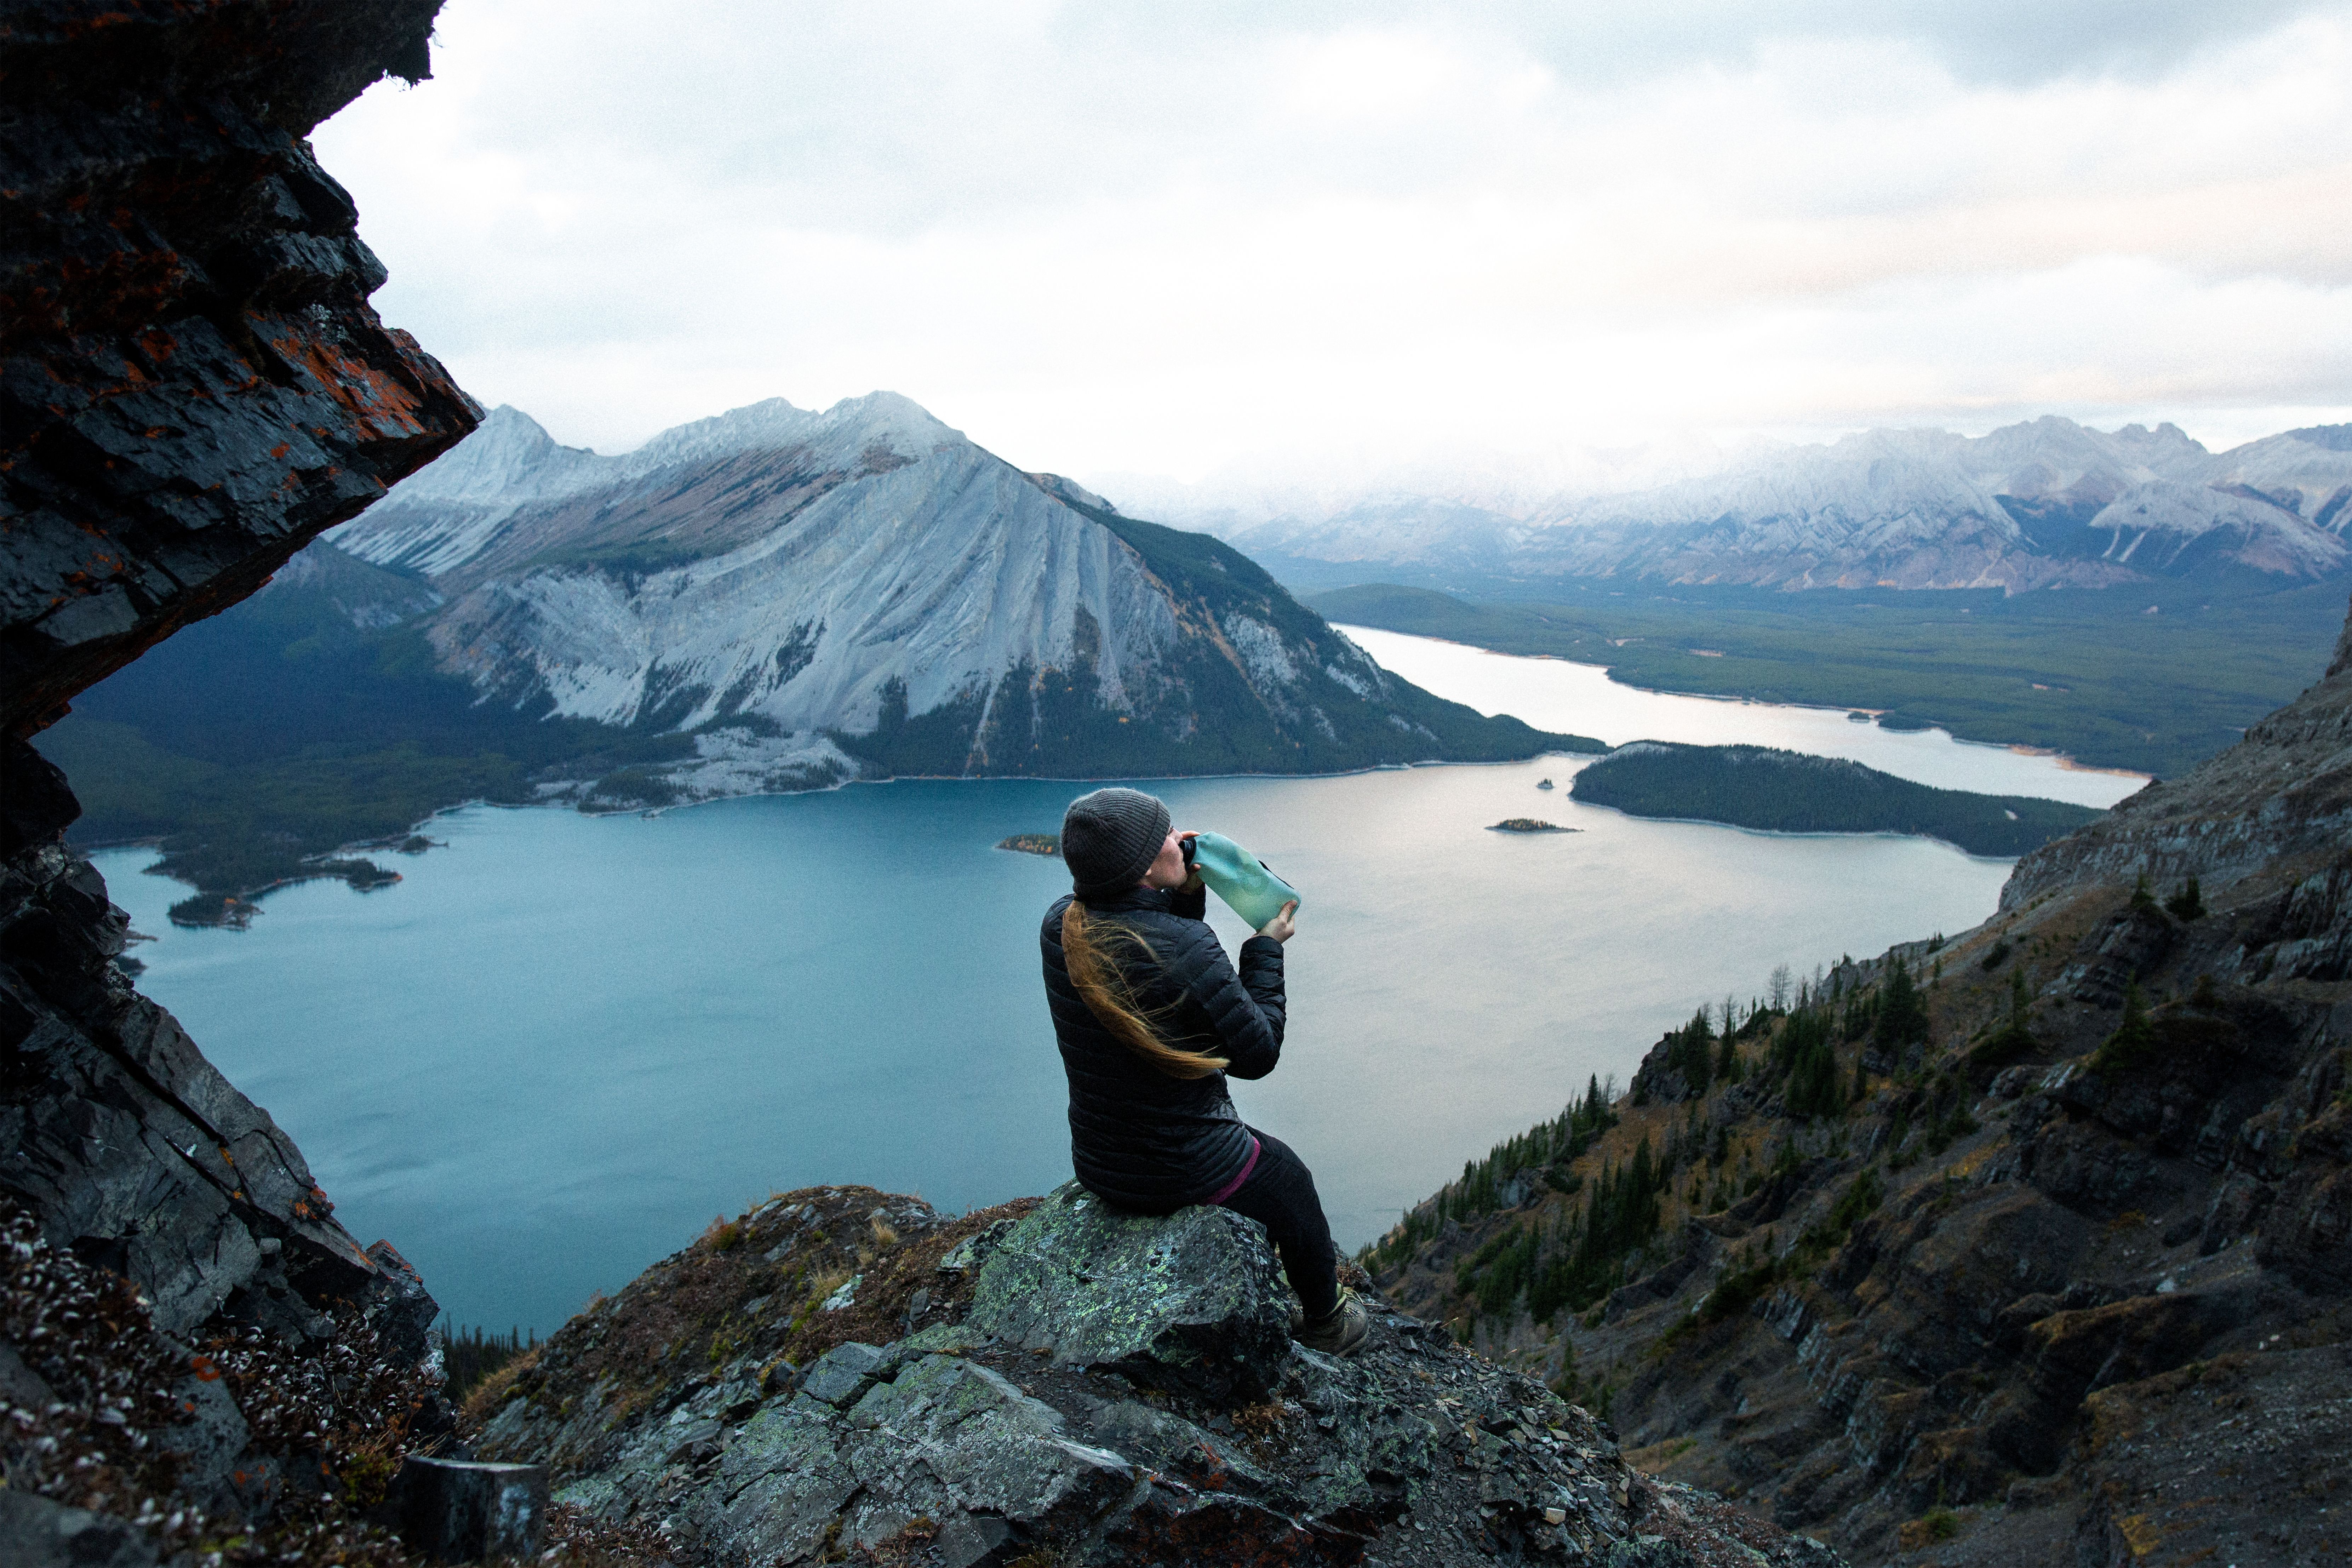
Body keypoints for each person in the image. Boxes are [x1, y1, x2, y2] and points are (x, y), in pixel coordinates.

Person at [1040, 786, 1368, 1356]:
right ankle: (1328, 1323)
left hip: (1102, 1159)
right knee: (1289, 1181)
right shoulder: (1182, 945)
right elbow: (1257, 1055)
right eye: (1165, 834)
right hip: (1181, 1167)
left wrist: (1184, 895)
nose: (1180, 839)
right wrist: (1266, 948)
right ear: (1142, 867)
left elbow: (1157, 970)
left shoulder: (1062, 924)